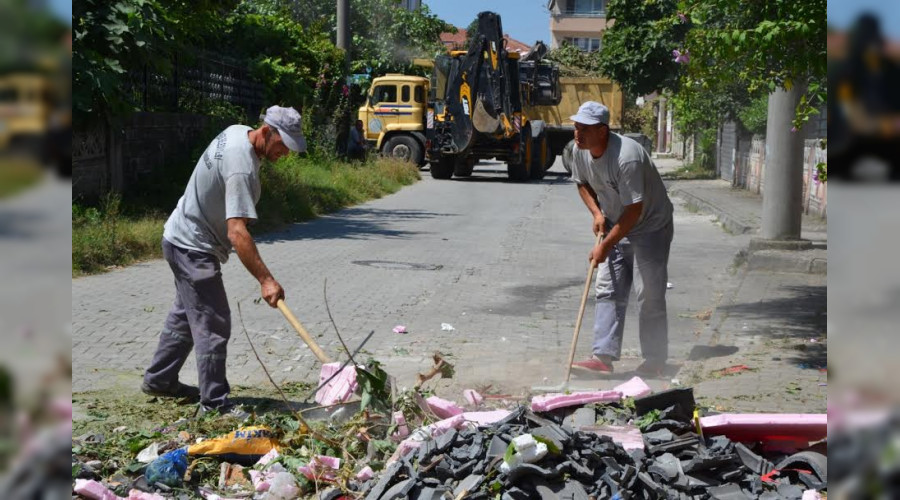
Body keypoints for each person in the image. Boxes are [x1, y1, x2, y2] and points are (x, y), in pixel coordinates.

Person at [141, 105, 307, 417]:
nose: (284, 153)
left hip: (180, 236)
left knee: (187, 316)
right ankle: (215, 404)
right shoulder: (241, 166)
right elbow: (237, 232)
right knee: (214, 322)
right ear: (267, 131)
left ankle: (159, 379)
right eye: (282, 145)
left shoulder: (236, 132)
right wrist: (266, 280)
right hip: (193, 247)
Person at [568, 101, 674, 377]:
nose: (577, 134)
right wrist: (596, 213)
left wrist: (605, 245)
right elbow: (581, 183)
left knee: (648, 292)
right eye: (576, 127)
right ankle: (602, 356)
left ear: (602, 131)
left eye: (584, 129)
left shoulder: (627, 157)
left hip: (650, 225)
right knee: (608, 287)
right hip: (616, 221)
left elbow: (634, 210)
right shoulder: (579, 151)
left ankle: (655, 359)